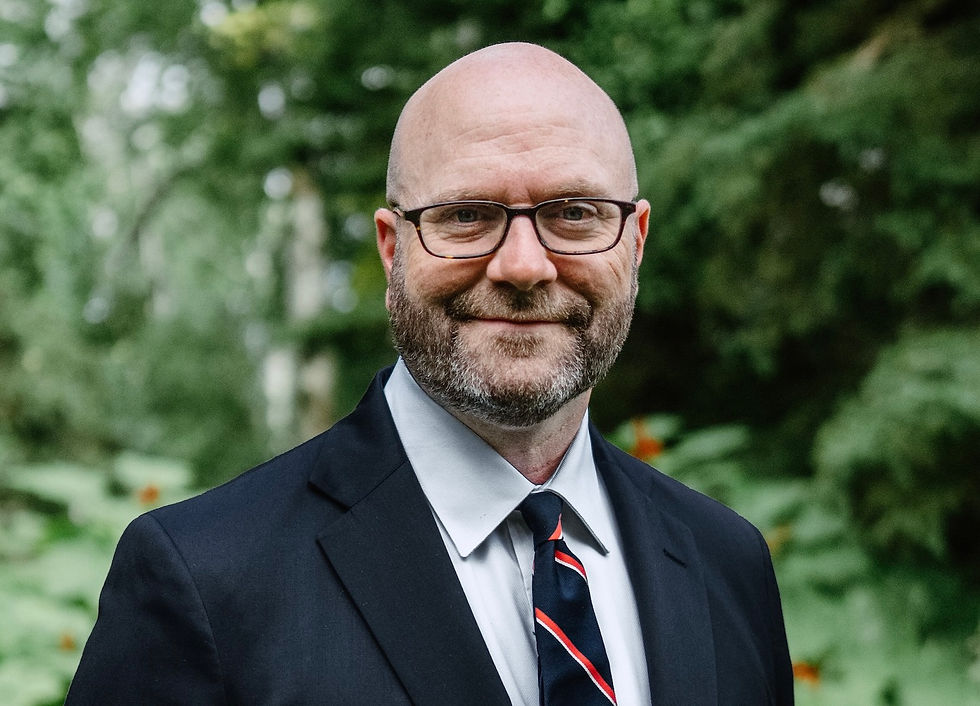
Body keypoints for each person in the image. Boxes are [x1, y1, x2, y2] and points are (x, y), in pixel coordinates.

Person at [67, 43, 794, 705]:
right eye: (467, 215)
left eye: (574, 213)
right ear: (393, 249)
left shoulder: (726, 563)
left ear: (633, 242)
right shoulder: (204, 580)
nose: (523, 266)